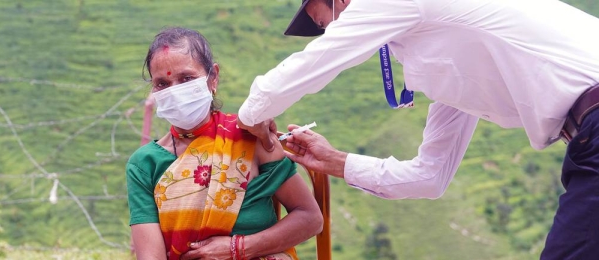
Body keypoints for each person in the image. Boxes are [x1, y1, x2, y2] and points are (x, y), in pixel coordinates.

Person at [236, 0, 599, 259]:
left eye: (326, 20)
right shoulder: (448, 60)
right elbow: (431, 177)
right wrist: (335, 162)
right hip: (586, 140)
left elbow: (319, 60)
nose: (331, 31)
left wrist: (251, 114)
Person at [126, 27, 323, 260]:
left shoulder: (252, 139)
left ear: (213, 77)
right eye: (162, 84)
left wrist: (238, 248)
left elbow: (310, 218)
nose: (175, 91)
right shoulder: (144, 164)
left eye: (186, 79)